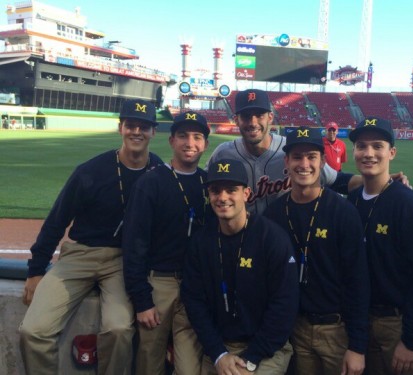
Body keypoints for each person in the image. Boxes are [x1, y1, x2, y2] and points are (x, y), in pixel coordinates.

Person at [19, 98, 163, 375]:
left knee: (119, 328)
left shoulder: (158, 172)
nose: (136, 132)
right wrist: (36, 270)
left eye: (143, 127)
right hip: (79, 255)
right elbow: (57, 220)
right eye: (131, 125)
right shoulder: (91, 170)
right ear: (120, 128)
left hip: (123, 262)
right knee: (32, 330)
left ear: (153, 132)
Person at [346, 117, 413, 375]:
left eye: (377, 146)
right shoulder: (352, 202)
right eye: (361, 146)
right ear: (354, 152)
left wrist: (412, 341)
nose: (368, 153)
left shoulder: (411, 206)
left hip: (404, 325)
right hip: (368, 325)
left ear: (391, 152)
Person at [264, 127, 369, 375]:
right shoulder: (274, 214)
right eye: (297, 157)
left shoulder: (342, 212)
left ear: (322, 161)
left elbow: (358, 282)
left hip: (336, 330)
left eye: (311, 156)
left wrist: (357, 346)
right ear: (286, 162)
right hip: (294, 331)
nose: (304, 164)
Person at [181, 158, 299, 375]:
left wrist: (250, 359)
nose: (223, 197)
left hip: (267, 349)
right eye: (216, 190)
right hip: (219, 347)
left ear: (246, 194)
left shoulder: (271, 238)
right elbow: (195, 302)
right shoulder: (201, 242)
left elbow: (284, 306)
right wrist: (218, 354)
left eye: (231, 190)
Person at [207, 89, 408, 215]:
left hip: (284, 232)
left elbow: (339, 181)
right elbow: (205, 186)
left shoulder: (293, 151)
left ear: (270, 117)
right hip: (241, 234)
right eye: (246, 116)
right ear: (236, 120)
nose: (252, 122)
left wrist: (384, 179)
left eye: (259, 115)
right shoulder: (223, 153)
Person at [122, 111, 211, 375]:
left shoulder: (210, 184)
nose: (189, 143)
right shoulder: (152, 181)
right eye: (183, 135)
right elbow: (134, 244)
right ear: (171, 141)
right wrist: (142, 300)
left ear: (205, 143)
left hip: (196, 287)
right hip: (159, 284)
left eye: (197, 137)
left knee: (189, 365)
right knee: (150, 360)